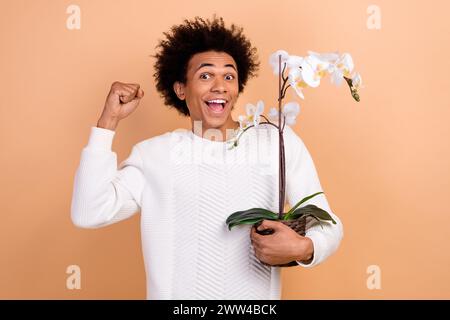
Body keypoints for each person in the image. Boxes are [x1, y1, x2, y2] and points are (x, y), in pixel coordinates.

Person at [71, 16, 343, 300]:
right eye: (205, 75)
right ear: (180, 89)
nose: (220, 86)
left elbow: (328, 224)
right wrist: (107, 122)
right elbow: (89, 212)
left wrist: (305, 248)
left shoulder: (276, 141)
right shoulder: (155, 155)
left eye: (229, 76)